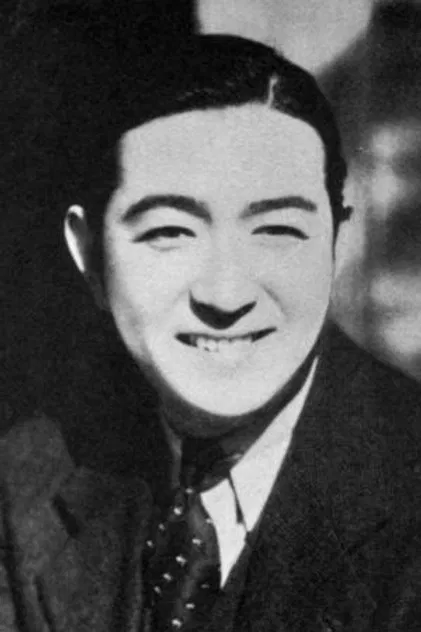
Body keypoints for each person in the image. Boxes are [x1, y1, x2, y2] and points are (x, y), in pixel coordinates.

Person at [2, 11, 421, 632]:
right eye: (170, 232)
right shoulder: (28, 476)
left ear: (335, 244)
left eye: (277, 230)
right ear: (89, 257)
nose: (226, 294)